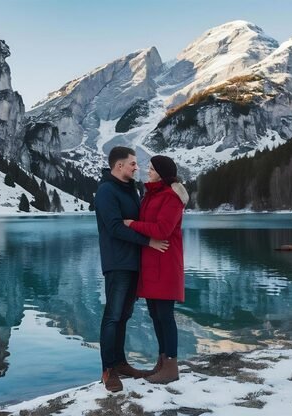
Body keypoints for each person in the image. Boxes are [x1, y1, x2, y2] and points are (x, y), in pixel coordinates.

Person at [94, 146, 170, 392]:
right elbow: (115, 228)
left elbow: (137, 222)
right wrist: (149, 241)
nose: (137, 168)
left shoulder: (130, 189)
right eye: (133, 164)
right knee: (113, 316)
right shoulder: (106, 190)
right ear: (119, 166)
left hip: (135, 262)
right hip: (117, 263)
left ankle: (121, 363)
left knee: (124, 316)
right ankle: (108, 370)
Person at [123, 155, 188, 384]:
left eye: (151, 168)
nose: (147, 171)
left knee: (165, 315)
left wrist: (132, 224)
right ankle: (162, 362)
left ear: (161, 172)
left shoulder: (171, 197)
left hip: (166, 262)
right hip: (151, 262)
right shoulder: (151, 194)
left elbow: (162, 230)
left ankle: (171, 366)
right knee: (155, 315)